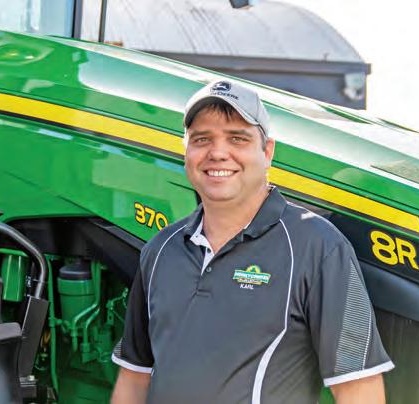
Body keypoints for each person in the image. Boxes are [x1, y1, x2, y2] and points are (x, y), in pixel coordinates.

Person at [111, 79, 393, 404]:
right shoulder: (161, 250)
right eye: (202, 139)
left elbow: (359, 388)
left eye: (237, 138)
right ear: (186, 151)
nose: (218, 153)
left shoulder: (319, 247)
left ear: (267, 152)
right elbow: (134, 378)